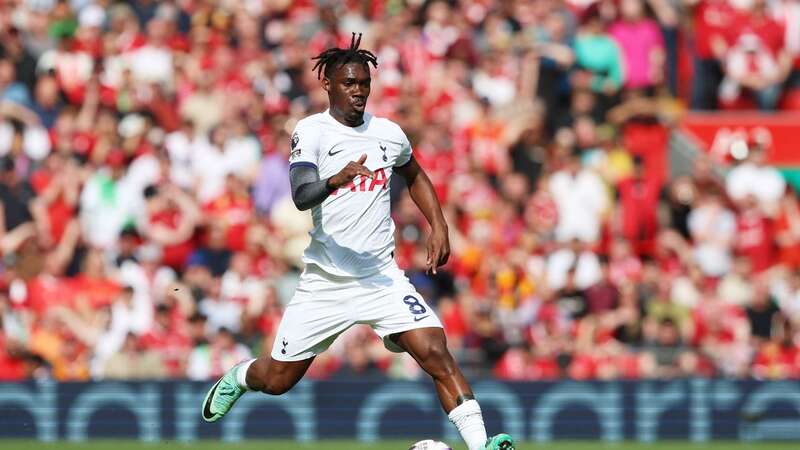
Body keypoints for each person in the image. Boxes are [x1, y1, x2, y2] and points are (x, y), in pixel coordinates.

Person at [199, 33, 515, 450]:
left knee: (436, 350)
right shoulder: (311, 131)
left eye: (364, 83)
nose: (359, 91)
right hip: (326, 281)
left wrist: (438, 223)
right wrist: (335, 179)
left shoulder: (388, 133)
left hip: (380, 276)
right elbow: (300, 195)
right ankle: (240, 376)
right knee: (277, 380)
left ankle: (481, 445)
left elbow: (414, 173)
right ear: (327, 83)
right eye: (349, 83)